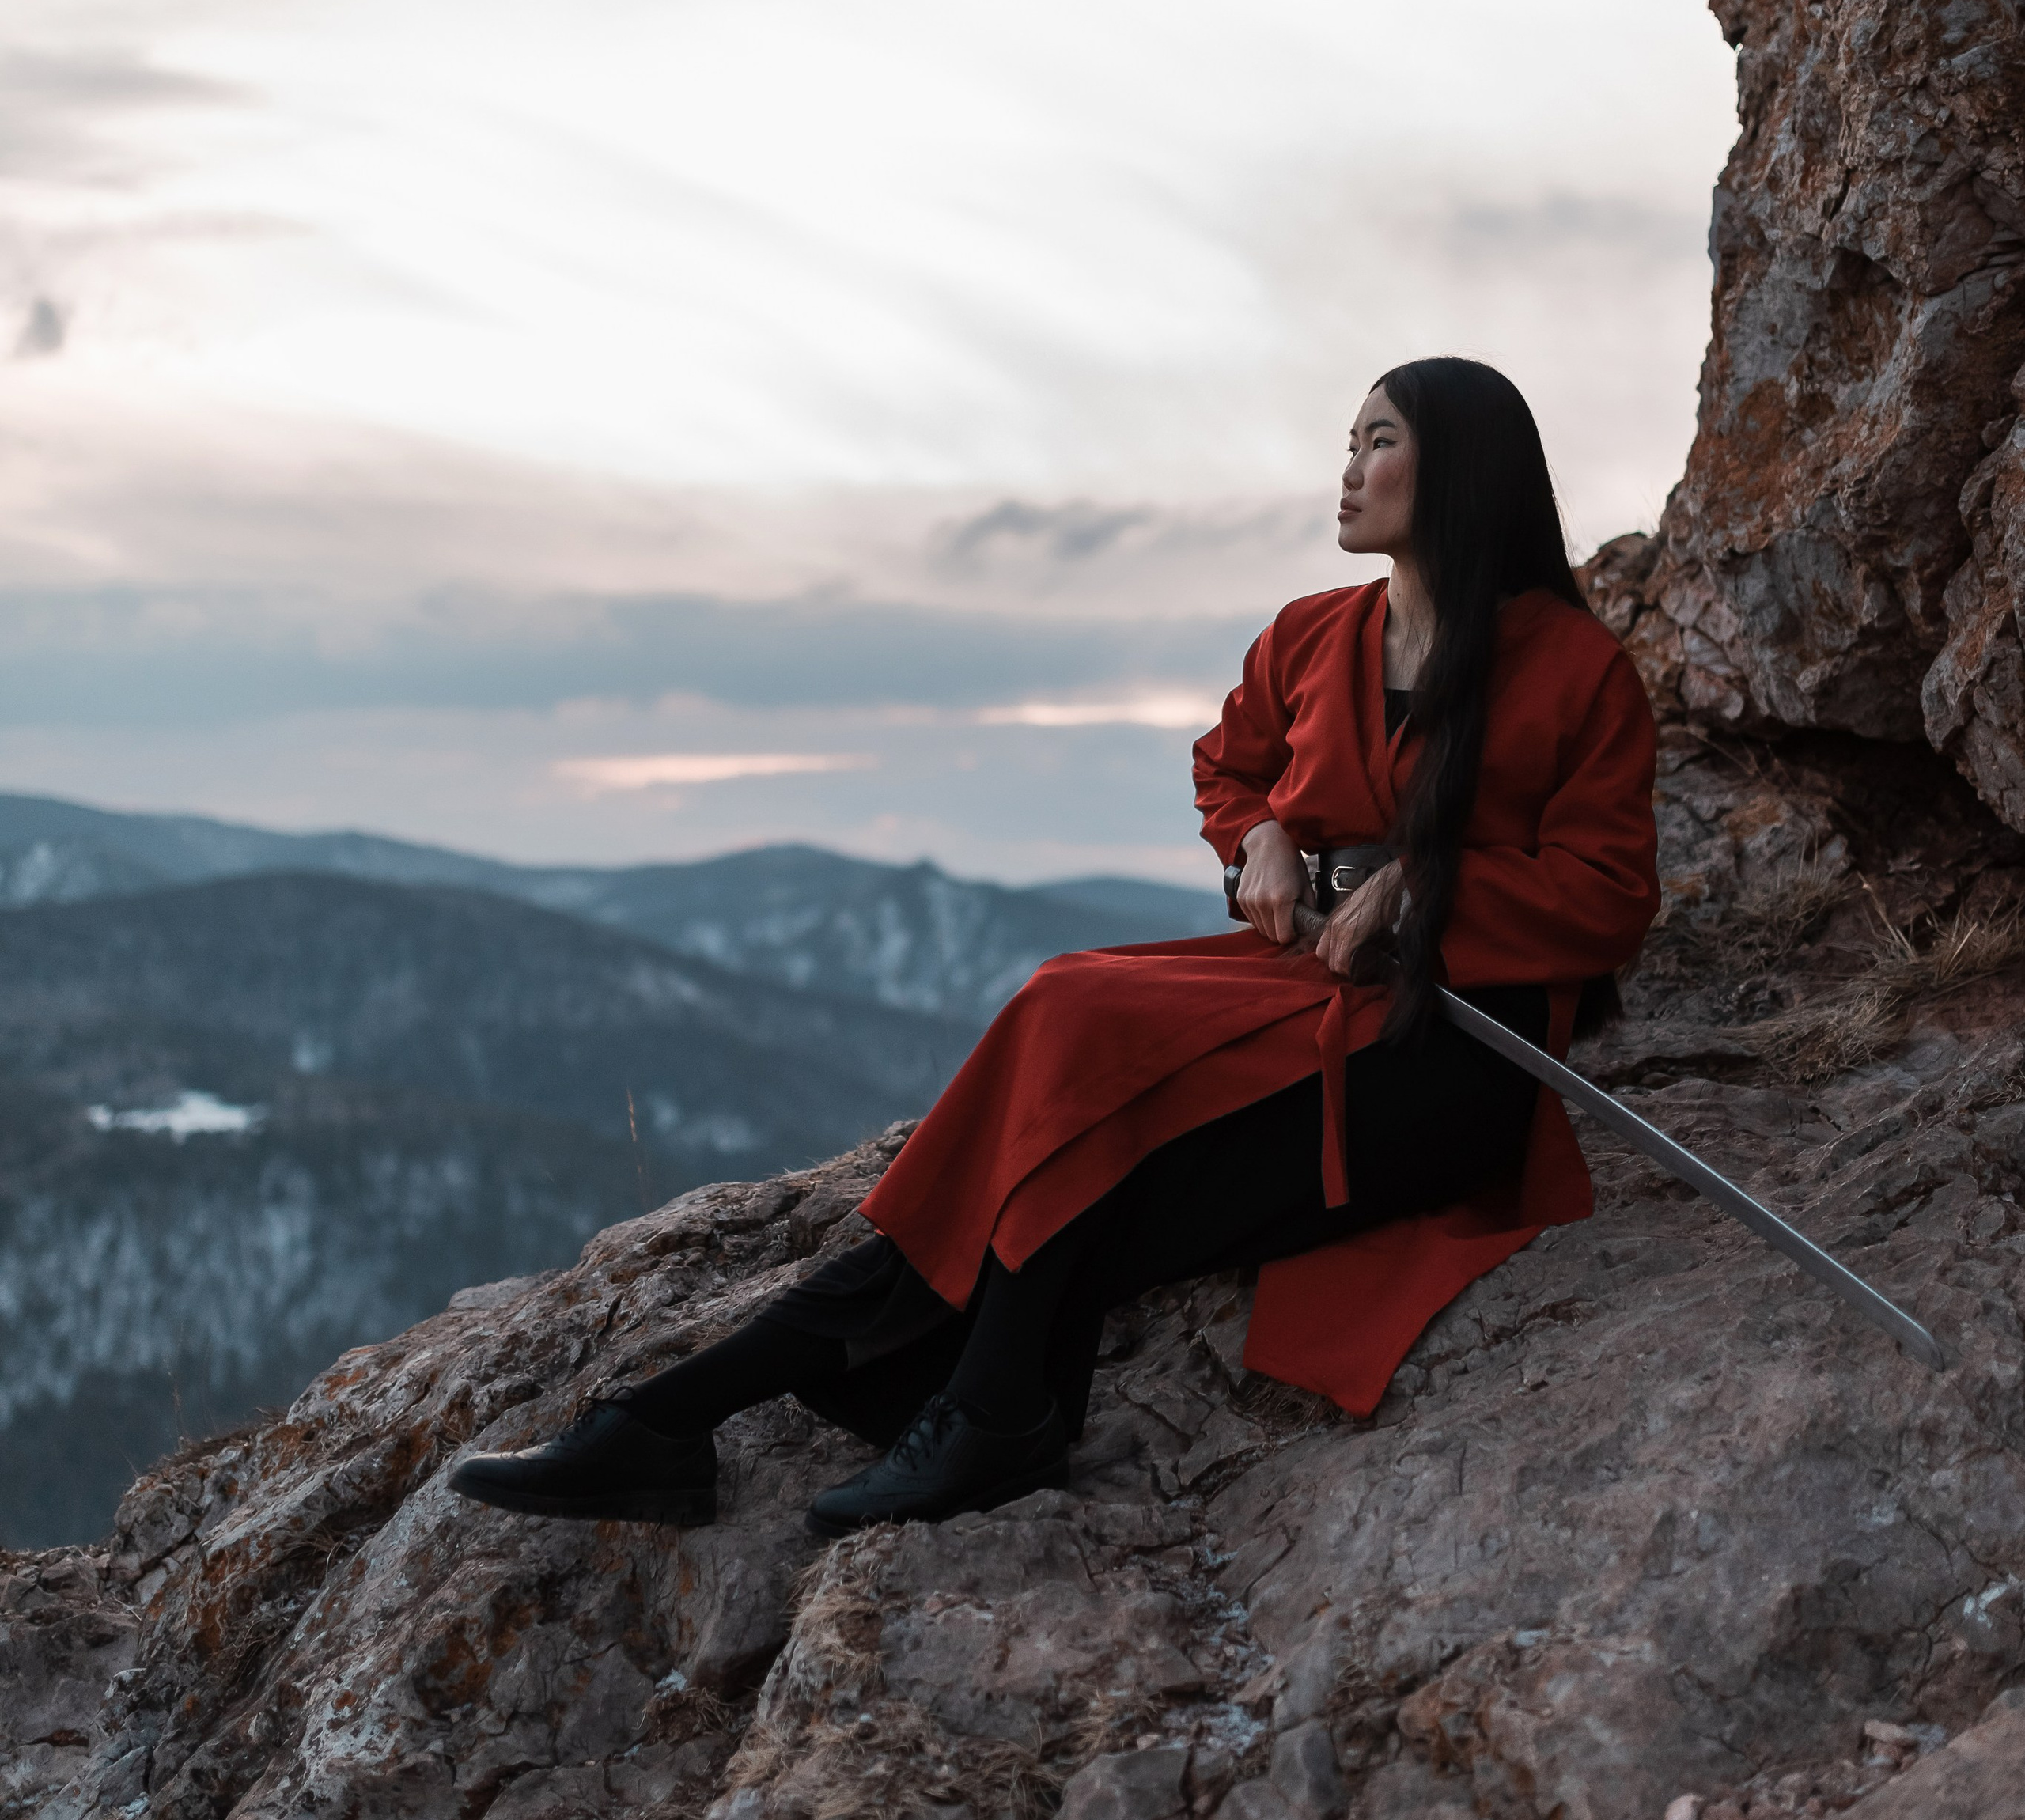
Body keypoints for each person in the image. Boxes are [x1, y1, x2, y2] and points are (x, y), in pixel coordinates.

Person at [449, 357, 1660, 1538]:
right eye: (1347, 443)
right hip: (1291, 984)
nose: (1347, 471)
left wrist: (1424, 889)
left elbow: (1609, 896)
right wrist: (1265, 837)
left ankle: (829, 1413)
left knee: (1074, 1109)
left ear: (1461, 470)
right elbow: (1227, 766)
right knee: (1060, 1010)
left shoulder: (1574, 669)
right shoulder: (1307, 635)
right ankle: (774, 1415)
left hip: (1442, 1047)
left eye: (1378, 441)